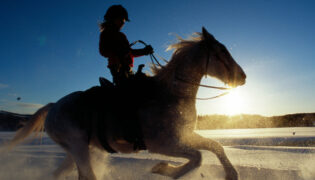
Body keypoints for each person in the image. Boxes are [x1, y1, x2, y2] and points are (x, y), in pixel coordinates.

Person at [99, 5, 153, 86]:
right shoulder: (106, 34)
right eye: (121, 19)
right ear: (112, 18)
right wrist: (117, 51)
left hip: (128, 69)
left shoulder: (121, 36)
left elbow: (130, 52)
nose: (123, 22)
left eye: (123, 20)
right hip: (117, 70)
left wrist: (144, 51)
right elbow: (103, 51)